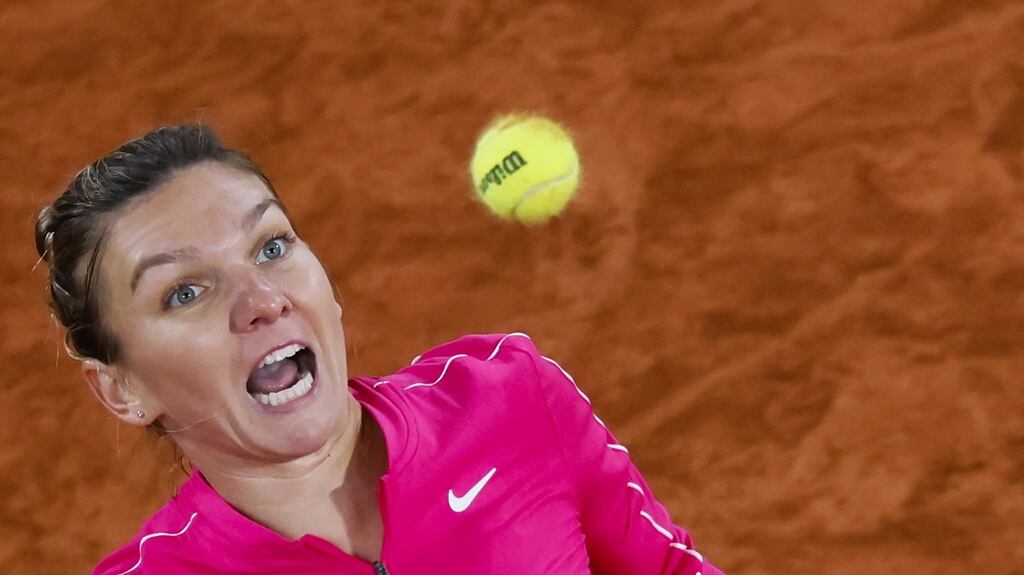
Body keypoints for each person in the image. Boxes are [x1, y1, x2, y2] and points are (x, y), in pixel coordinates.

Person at [35, 124, 723, 575]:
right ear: (122, 388)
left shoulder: (508, 399)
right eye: (186, 292)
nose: (263, 299)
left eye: (271, 247)